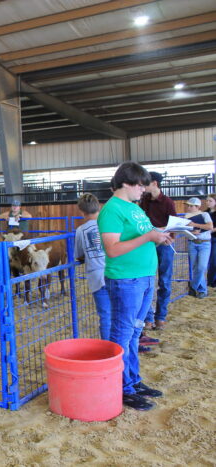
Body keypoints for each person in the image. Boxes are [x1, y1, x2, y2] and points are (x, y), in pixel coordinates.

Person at [98, 161, 172, 411]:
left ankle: (133, 381)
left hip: (143, 277)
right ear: (127, 184)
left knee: (134, 332)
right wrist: (149, 237)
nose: (145, 189)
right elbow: (113, 249)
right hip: (126, 279)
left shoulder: (134, 208)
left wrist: (160, 236)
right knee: (123, 333)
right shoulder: (112, 210)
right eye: (141, 185)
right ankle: (122, 387)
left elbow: (144, 234)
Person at [139, 171, 176, 331]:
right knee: (145, 280)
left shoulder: (167, 202)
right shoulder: (144, 201)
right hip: (148, 243)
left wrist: (167, 235)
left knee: (164, 281)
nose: (142, 186)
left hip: (164, 244)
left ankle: (160, 317)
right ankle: (148, 318)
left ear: (154, 183)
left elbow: (173, 224)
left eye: (145, 183)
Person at [74, 194, 111, 340]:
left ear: (82, 212)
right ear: (99, 208)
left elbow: (78, 254)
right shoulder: (109, 223)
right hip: (116, 271)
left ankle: (109, 349)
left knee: (105, 315)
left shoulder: (81, 230)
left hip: (96, 276)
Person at [184, 197, 213, 298]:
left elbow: (210, 227)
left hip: (204, 243)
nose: (188, 207)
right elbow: (186, 231)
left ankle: (193, 285)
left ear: (197, 207)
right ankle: (202, 290)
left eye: (191, 206)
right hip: (192, 242)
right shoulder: (187, 216)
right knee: (196, 267)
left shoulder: (205, 214)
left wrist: (195, 225)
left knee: (201, 267)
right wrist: (192, 232)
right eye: (188, 205)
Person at [205, 193, 216, 288]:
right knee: (209, 261)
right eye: (207, 200)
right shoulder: (205, 213)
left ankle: (212, 281)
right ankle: (210, 281)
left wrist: (210, 229)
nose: (208, 202)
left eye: (210, 201)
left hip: (214, 238)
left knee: (213, 260)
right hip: (207, 238)